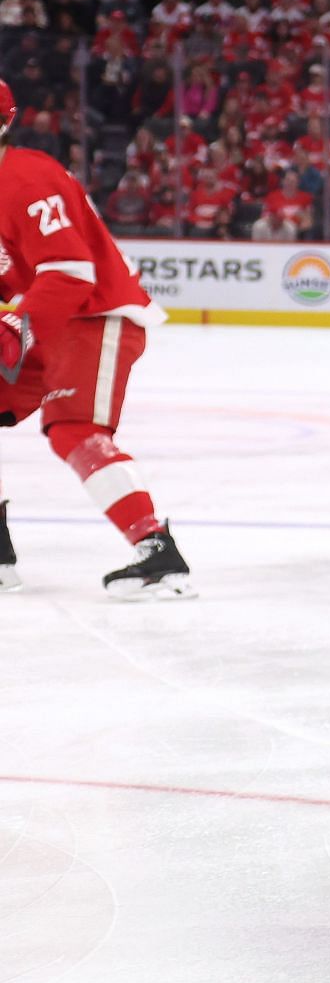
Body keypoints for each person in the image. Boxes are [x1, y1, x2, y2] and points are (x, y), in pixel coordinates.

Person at [0, 78, 193, 598]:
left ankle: (158, 554)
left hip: (94, 314)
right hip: (49, 319)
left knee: (75, 429)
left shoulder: (25, 178)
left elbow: (70, 272)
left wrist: (13, 327)